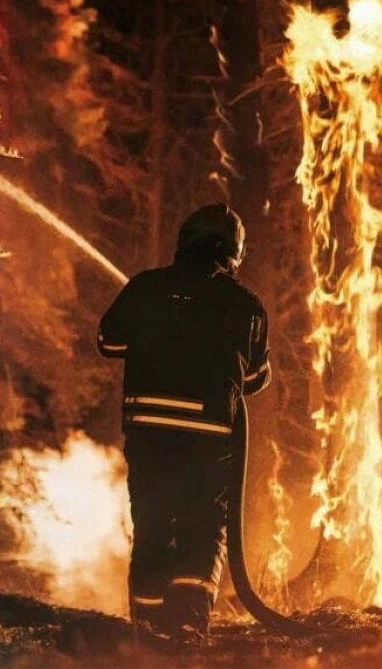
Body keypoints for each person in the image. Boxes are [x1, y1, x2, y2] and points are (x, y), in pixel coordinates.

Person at [97, 203, 271, 639]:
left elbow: (108, 342)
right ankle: (188, 626)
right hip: (208, 436)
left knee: (153, 522)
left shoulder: (145, 287)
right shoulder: (245, 305)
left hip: (148, 430)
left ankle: (147, 629)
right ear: (233, 250)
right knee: (203, 526)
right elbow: (254, 378)